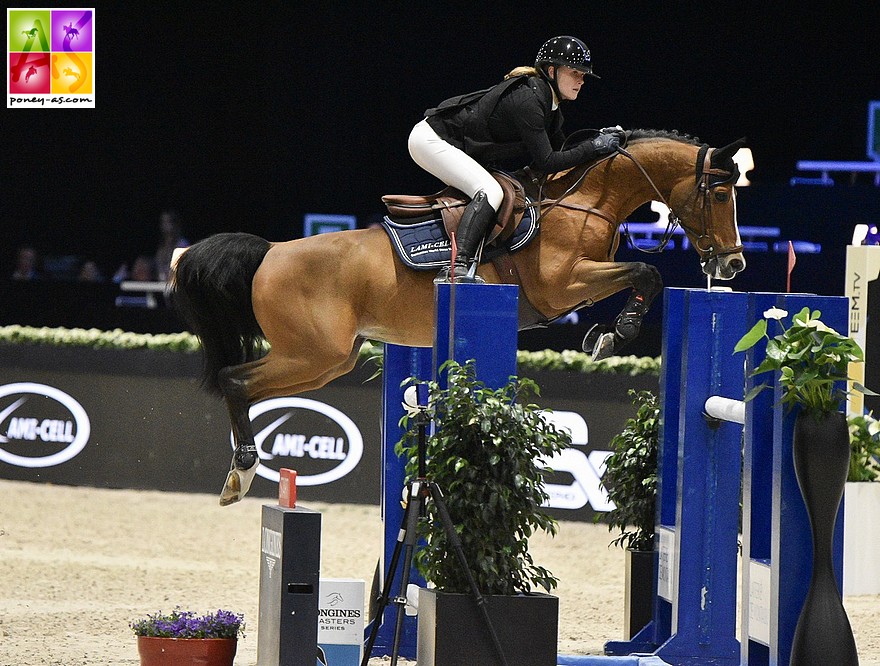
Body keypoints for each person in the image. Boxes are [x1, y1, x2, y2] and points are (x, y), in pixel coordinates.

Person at [409, 35, 625, 282]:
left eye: (583, 75)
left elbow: (563, 151)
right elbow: (548, 162)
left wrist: (600, 141)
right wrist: (595, 147)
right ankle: (458, 266)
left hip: (454, 143)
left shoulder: (549, 103)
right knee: (490, 191)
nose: (581, 80)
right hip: (431, 140)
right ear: (551, 70)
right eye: (575, 72)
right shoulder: (528, 101)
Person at [153, 209, 190, 282]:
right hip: (160, 284)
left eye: (167, 222)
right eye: (163, 222)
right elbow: (158, 266)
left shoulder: (183, 244)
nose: (164, 225)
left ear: (174, 223)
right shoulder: (161, 245)